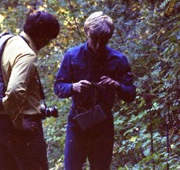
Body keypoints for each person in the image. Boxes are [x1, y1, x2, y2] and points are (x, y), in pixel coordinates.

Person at [54, 11, 136, 170]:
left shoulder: (118, 60)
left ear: (109, 38)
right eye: (94, 39)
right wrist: (73, 87)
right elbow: (58, 88)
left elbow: (130, 94)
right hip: (77, 121)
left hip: (102, 124)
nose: (98, 45)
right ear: (86, 33)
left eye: (103, 41)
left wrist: (116, 85)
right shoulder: (72, 55)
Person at [0, 10, 60, 170]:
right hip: (22, 129)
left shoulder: (10, 42)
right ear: (42, 37)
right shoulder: (26, 54)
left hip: (0, 124)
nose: (47, 43)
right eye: (48, 39)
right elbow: (15, 91)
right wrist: (19, 122)